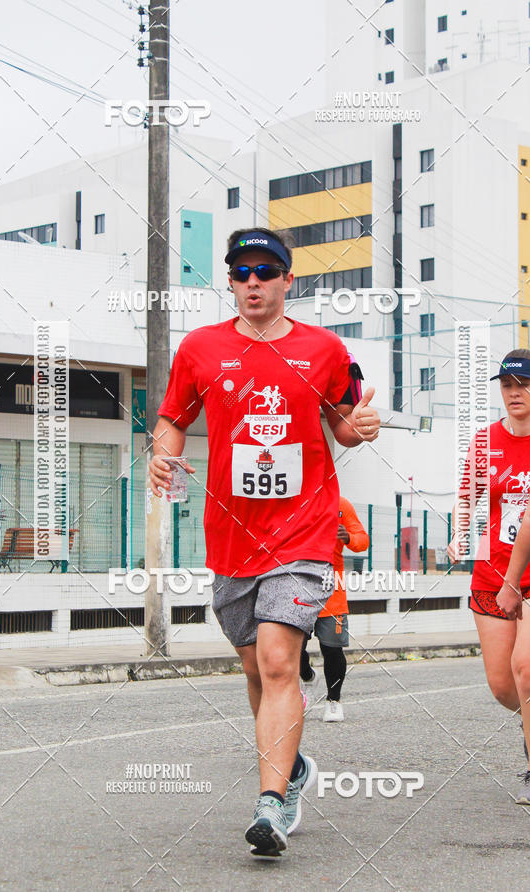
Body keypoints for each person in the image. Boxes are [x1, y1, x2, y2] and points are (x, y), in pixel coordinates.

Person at [149, 227, 380, 857]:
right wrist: (161, 456)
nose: (254, 281)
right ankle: (294, 765)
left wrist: (361, 425)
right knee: (255, 667)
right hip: (231, 537)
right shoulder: (200, 348)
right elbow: (173, 418)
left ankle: (271, 807)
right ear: (230, 281)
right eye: (242, 272)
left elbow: (345, 425)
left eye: (266, 270)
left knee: (280, 661)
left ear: (287, 280)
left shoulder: (324, 350)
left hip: (305, 532)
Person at [448, 349, 530, 806]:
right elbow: (468, 496)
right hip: (492, 571)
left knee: (527, 669)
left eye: (525, 384)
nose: (515, 393)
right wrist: (459, 533)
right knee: (502, 685)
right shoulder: (483, 442)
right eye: (507, 385)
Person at [300, 496, 369, 722]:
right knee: (291, 648)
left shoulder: (341, 504)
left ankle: (333, 701)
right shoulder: (293, 499)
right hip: (298, 583)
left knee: (332, 649)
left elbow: (362, 539)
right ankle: (308, 676)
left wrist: (348, 537)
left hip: (332, 587)